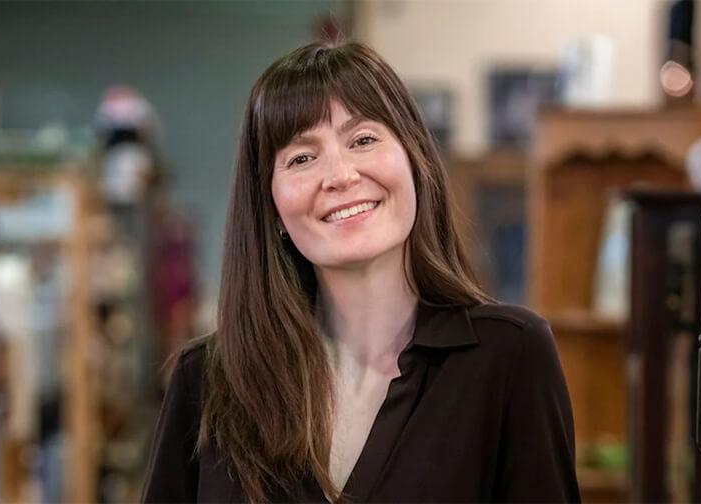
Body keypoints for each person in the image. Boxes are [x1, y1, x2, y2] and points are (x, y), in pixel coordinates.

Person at [142, 41, 580, 503]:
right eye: (301, 158)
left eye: (363, 140)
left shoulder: (510, 356)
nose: (340, 176)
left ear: (416, 159)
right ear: (269, 204)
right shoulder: (207, 381)